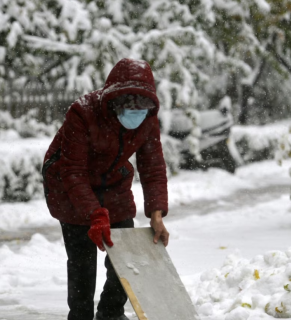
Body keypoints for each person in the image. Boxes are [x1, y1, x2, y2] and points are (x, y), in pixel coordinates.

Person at [42, 58, 169, 320]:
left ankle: (110, 313)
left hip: (113, 182)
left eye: (142, 106)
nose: (135, 112)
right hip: (68, 185)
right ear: (113, 101)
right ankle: (80, 316)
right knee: (82, 262)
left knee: (125, 254)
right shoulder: (83, 112)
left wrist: (156, 214)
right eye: (128, 105)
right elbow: (73, 170)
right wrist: (94, 213)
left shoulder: (147, 118)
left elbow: (152, 166)